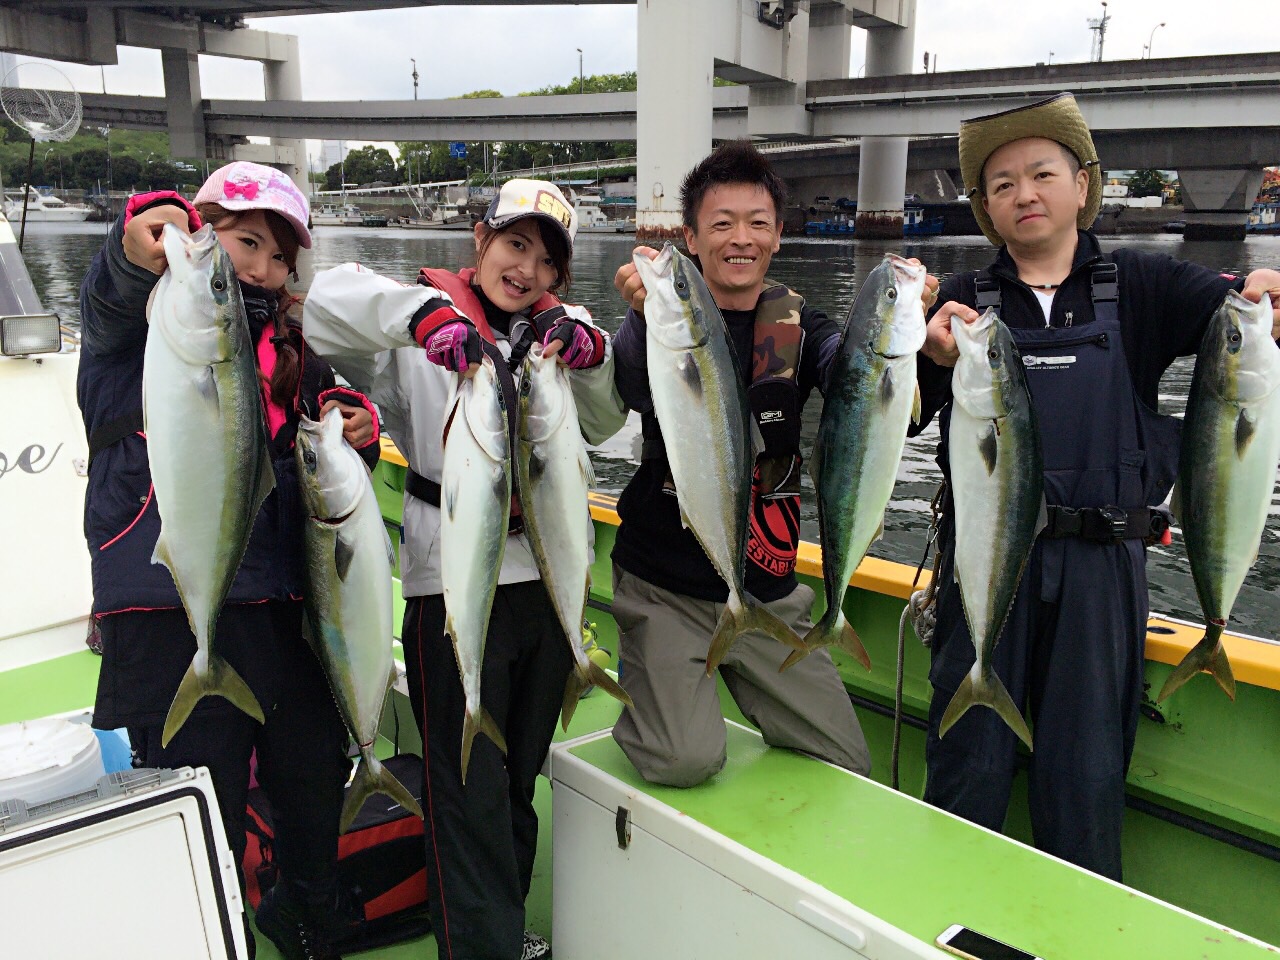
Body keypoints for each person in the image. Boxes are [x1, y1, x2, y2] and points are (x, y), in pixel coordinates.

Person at [914, 92, 1280, 881]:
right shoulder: (962, 301)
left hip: (1101, 571)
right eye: (1002, 183)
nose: (1025, 193)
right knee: (966, 762)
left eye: (1042, 173)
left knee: (1085, 775)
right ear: (983, 207)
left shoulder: (1145, 284)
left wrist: (1264, 295)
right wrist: (924, 358)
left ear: (1085, 185)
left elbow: (1238, 313)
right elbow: (891, 413)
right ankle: (939, 907)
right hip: (984, 558)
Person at [303, 177, 625, 960]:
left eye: (548, 262)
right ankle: (479, 945)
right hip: (448, 586)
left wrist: (591, 359)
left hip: (546, 586)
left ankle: (503, 924)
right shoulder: (416, 315)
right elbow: (321, 306)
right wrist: (424, 320)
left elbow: (608, 419)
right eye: (515, 245)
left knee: (515, 779)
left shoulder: (564, 328)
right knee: (466, 787)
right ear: (479, 238)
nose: (527, 272)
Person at [78, 161, 383, 959]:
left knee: (311, 783)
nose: (261, 269)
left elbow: (333, 426)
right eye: (245, 242)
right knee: (196, 791)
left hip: (283, 608)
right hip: (169, 608)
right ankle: (201, 934)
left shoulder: (293, 352)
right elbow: (109, 295)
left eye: (280, 257)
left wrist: (360, 428)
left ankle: (306, 917)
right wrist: (134, 240)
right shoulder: (140, 331)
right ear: (196, 235)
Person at [608, 140, 902, 788]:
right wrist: (638, 316)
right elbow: (631, 383)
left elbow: (846, 369)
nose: (740, 239)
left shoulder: (802, 325)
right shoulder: (662, 320)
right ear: (691, 235)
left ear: (777, 235)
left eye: (757, 223)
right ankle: (651, 683)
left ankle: (740, 656)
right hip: (665, 585)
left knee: (847, 764)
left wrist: (905, 342)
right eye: (721, 224)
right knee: (685, 759)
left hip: (767, 591)